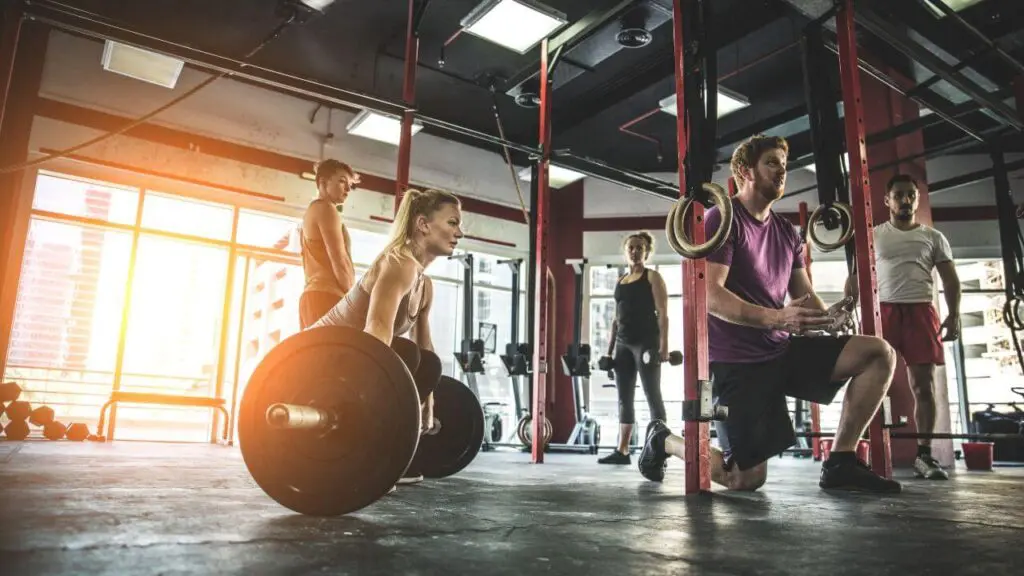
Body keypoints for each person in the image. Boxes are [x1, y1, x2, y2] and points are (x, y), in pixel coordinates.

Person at [637, 134, 903, 493]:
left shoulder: (785, 231)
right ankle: (663, 439)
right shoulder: (722, 220)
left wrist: (830, 320)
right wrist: (778, 318)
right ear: (746, 171)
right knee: (744, 479)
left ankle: (841, 461)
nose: (782, 172)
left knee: (877, 352)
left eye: (784, 164)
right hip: (738, 362)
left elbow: (803, 298)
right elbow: (711, 295)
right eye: (772, 163)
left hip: (780, 350)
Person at [310, 188, 464, 485]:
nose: (459, 233)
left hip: (349, 356)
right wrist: (367, 416)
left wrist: (427, 408)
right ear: (423, 225)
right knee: (403, 355)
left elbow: (427, 354)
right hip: (314, 355)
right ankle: (368, 448)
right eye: (452, 223)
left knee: (425, 360)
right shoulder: (399, 263)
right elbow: (376, 333)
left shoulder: (424, 284)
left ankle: (394, 450)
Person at [844, 174, 961, 480]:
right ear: (887, 200)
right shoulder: (873, 235)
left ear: (917, 199)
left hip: (921, 311)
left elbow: (950, 279)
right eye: (899, 195)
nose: (905, 200)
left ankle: (924, 456)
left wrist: (955, 314)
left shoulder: (934, 237)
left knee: (923, 386)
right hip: (883, 312)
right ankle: (858, 452)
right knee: (868, 382)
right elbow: (856, 277)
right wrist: (846, 307)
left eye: (911, 195)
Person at [597, 231, 670, 465]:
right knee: (623, 398)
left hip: (646, 343)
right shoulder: (620, 281)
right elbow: (616, 320)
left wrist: (664, 348)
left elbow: (663, 315)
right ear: (625, 251)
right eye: (631, 247)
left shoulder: (652, 277)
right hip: (623, 345)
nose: (635, 251)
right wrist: (608, 352)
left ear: (647, 252)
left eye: (640, 247)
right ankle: (623, 451)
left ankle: (659, 452)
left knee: (652, 395)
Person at [298, 159, 361, 329]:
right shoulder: (326, 209)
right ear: (323, 183)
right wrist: (354, 302)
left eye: (349, 184)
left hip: (313, 296)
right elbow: (339, 259)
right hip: (326, 296)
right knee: (332, 355)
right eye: (342, 182)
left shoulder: (311, 212)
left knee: (315, 355)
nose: (348, 189)